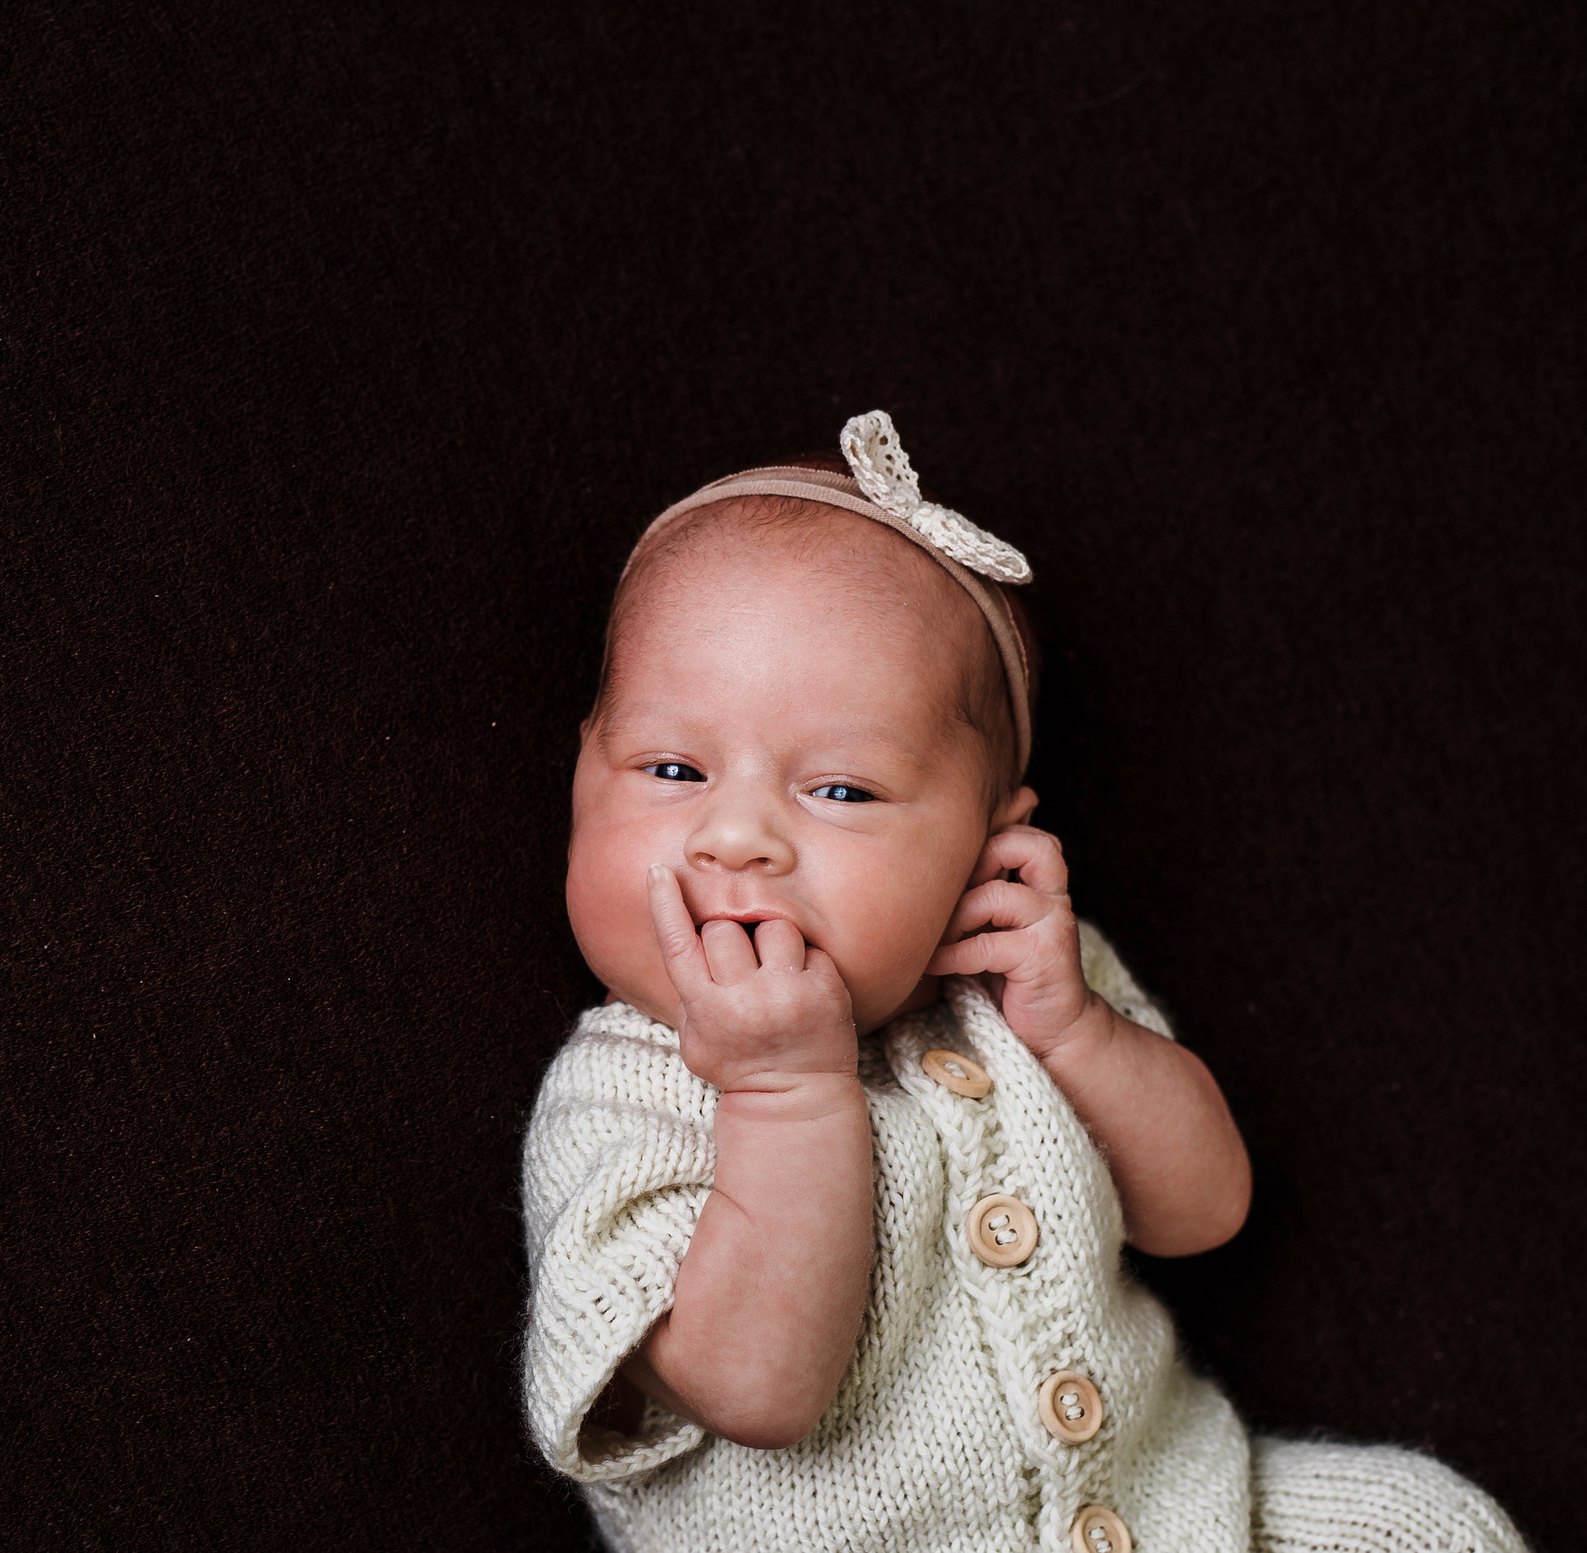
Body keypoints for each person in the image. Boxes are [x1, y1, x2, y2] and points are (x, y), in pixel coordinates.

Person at [521, 415, 1524, 1553]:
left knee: (1427, 1523)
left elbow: (1205, 1212)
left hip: (1173, 1510)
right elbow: (756, 1388)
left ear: (985, 849)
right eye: (671, 770)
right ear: (579, 782)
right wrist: (778, 1088)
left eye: (840, 791)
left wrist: (1084, 1035)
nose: (739, 835)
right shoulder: (625, 1098)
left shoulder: (1023, 988)